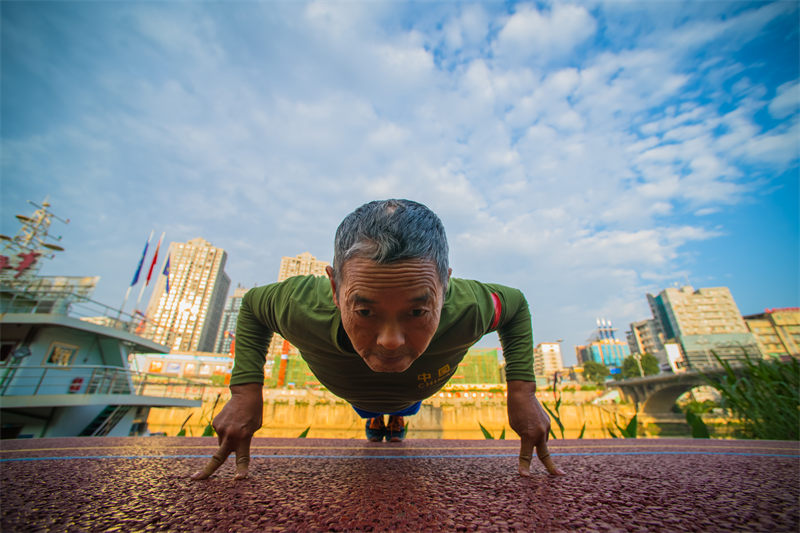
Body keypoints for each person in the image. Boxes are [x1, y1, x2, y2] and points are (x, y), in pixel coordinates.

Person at [192, 199, 564, 480]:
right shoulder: (300, 304)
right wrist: (244, 393)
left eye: (417, 312)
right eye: (365, 311)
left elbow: (514, 306)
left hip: (414, 389)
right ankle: (377, 418)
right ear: (335, 288)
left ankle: (397, 417)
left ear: (445, 286)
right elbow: (254, 307)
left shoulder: (469, 306)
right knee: (370, 409)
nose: (389, 341)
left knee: (403, 406)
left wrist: (522, 393)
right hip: (357, 393)